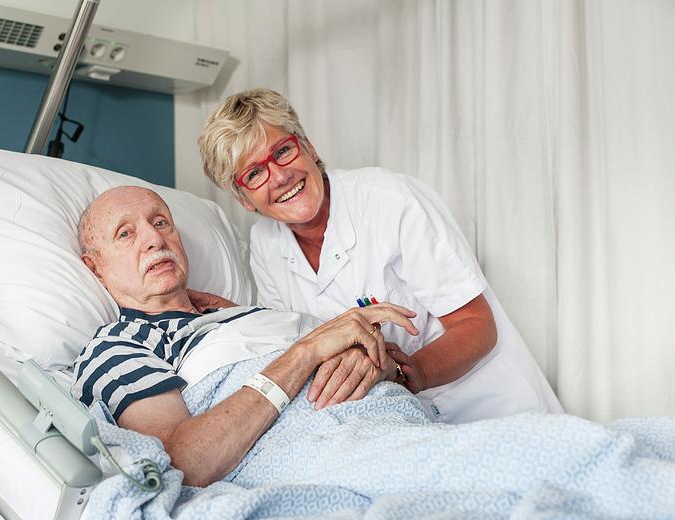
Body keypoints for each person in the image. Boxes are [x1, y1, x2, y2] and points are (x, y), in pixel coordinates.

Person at [197, 88, 563, 424]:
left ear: (309, 147)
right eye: (255, 174)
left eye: (282, 151)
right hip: (399, 423)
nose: (279, 176)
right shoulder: (265, 242)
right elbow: (296, 339)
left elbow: (477, 326)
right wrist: (235, 316)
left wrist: (407, 372)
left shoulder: (390, 199)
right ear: (244, 200)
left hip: (489, 405)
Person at [73, 185, 419, 487]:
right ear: (95, 266)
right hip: (341, 457)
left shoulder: (246, 314)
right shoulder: (119, 344)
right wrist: (307, 352)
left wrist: (373, 361)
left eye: (161, 222)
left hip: (403, 426)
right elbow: (182, 464)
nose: (154, 238)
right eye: (125, 234)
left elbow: (393, 370)